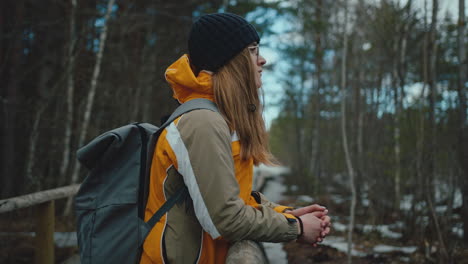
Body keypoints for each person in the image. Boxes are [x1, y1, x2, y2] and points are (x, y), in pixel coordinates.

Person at [140, 12, 331, 264]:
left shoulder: (219, 118)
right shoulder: (202, 123)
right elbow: (227, 220)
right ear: (228, 60)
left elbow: (234, 197)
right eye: (252, 51)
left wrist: (287, 214)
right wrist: (296, 227)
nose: (262, 60)